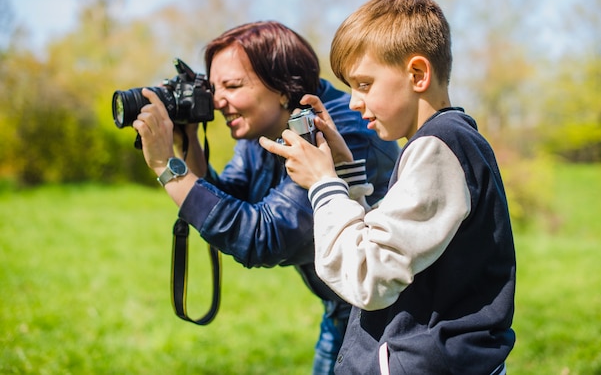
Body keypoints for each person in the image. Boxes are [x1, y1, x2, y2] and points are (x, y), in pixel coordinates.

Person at [260, 0, 516, 374]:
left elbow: (369, 276)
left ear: (417, 74)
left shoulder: (438, 146)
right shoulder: (442, 143)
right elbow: (392, 245)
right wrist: (344, 172)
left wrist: (322, 184)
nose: (351, 102)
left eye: (363, 84)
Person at [132, 20, 400, 374]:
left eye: (231, 85)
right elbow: (228, 199)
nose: (217, 101)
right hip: (343, 313)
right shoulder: (260, 132)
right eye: (214, 88)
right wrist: (189, 144)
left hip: (393, 325)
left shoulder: (343, 131)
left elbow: (263, 237)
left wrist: (167, 168)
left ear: (282, 86)